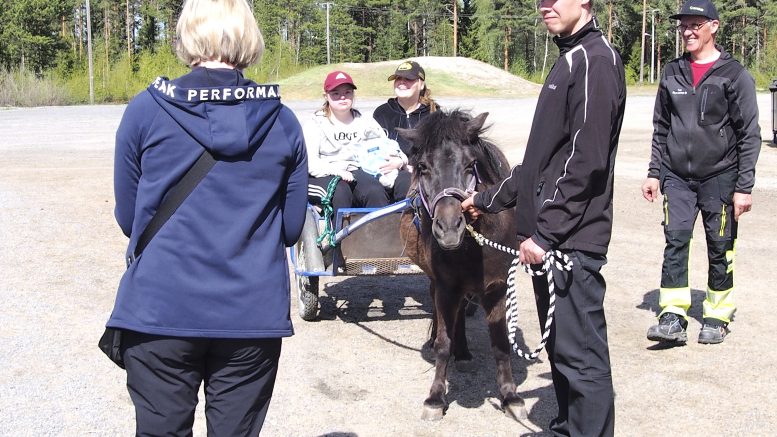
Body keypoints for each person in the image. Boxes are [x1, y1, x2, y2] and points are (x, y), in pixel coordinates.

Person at [106, 0, 308, 434]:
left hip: (160, 307)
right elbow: (291, 229)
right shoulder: (283, 122)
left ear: (187, 34)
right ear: (249, 38)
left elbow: (130, 217)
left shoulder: (146, 109)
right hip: (250, 314)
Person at [461, 0, 625, 434]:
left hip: (570, 240)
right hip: (550, 241)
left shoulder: (594, 61)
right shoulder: (569, 57)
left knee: (582, 356)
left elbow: (585, 161)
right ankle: (568, 428)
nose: (544, 5)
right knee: (561, 348)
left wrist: (547, 234)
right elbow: (539, 163)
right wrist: (488, 198)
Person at [642, 0, 761, 345]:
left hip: (720, 177)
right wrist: (654, 172)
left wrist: (744, 186)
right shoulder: (672, 72)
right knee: (675, 242)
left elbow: (749, 135)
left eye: (696, 24)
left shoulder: (734, 74)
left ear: (714, 26)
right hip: (677, 177)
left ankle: (717, 315)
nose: (688, 31)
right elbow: (661, 127)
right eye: (683, 25)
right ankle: (673, 315)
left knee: (720, 246)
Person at [304, 70, 405, 232]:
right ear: (326, 96)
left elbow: (389, 145)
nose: (342, 97)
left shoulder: (364, 121)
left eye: (347, 92)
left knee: (374, 191)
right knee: (341, 191)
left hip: (357, 171)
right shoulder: (315, 124)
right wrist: (335, 170)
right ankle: (339, 245)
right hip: (324, 174)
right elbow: (311, 163)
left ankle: (379, 243)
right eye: (335, 93)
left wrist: (401, 160)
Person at [372, 60, 439, 200]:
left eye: (408, 79)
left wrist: (407, 165)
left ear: (421, 84)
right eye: (398, 79)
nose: (402, 82)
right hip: (386, 174)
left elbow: (441, 154)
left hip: (424, 176)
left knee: (405, 183)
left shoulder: (435, 114)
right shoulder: (382, 113)